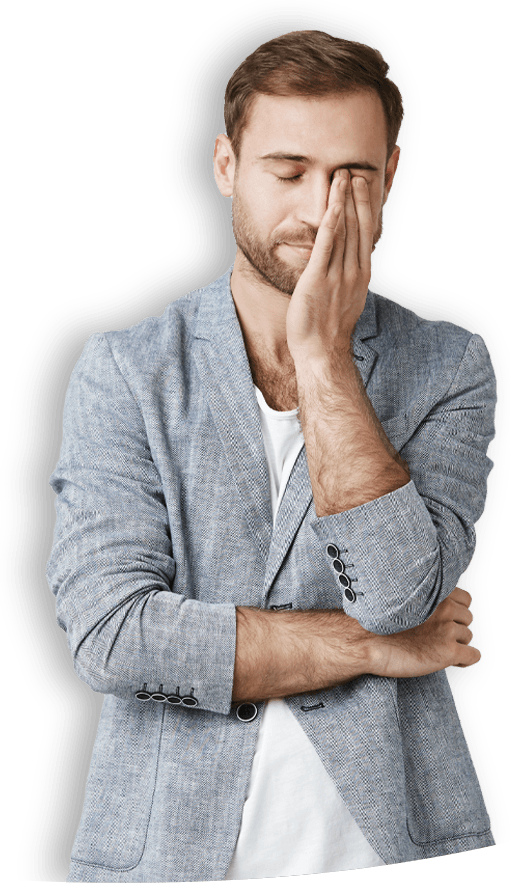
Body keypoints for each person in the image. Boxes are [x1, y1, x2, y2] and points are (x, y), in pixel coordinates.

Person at [46, 30, 496, 882]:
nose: (323, 211)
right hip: (168, 857)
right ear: (227, 166)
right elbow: (112, 636)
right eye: (289, 173)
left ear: (391, 176)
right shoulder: (126, 369)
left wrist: (325, 359)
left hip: (394, 841)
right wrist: (367, 647)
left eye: (352, 176)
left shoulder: (450, 364)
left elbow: (399, 595)